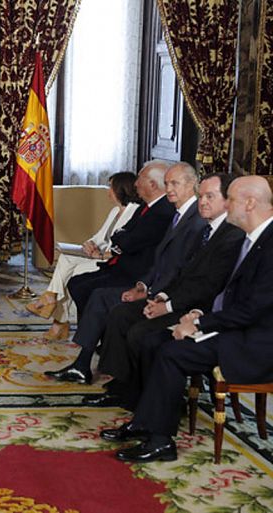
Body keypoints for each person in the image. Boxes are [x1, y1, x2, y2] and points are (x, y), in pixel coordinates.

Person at [102, 176, 273, 463]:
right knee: (156, 340)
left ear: (250, 203)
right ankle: (146, 422)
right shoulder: (254, 238)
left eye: (229, 199)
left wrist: (199, 324)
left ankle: (160, 441)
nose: (226, 205)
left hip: (255, 343)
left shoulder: (268, 244)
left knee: (171, 351)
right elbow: (235, 298)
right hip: (237, 328)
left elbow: (254, 310)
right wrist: (200, 315)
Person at [94, 173, 244, 409]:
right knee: (120, 314)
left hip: (197, 310)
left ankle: (143, 397)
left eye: (210, 197)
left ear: (227, 200)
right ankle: (123, 383)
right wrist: (161, 297)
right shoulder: (206, 228)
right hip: (177, 299)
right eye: (201, 196)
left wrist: (168, 306)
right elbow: (182, 272)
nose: (202, 202)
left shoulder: (232, 235)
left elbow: (209, 286)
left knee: (140, 332)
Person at [45, 162, 203, 385]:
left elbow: (162, 259)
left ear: (191, 185)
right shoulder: (164, 211)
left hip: (146, 281)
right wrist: (143, 284)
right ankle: (89, 352)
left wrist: (151, 291)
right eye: (167, 183)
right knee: (82, 285)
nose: (169, 189)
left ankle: (91, 358)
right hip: (140, 277)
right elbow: (124, 237)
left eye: (174, 184)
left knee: (99, 296)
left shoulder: (173, 215)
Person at [26, 172, 140, 340]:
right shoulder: (115, 210)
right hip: (97, 254)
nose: (108, 191)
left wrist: (99, 254)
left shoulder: (134, 212)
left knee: (74, 272)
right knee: (65, 259)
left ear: (120, 189)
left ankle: (59, 320)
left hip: (109, 261)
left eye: (111, 187)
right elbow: (99, 236)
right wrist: (88, 244)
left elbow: (123, 248)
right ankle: (51, 298)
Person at [63, 161, 175, 322]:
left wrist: (120, 239)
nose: (135, 183)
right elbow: (118, 235)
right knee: (76, 283)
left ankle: (95, 330)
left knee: (84, 287)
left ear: (152, 184)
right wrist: (120, 238)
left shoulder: (162, 211)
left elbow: (128, 241)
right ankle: (90, 329)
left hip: (134, 273)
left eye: (139, 178)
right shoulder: (147, 206)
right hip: (121, 265)